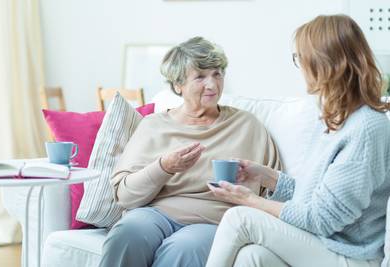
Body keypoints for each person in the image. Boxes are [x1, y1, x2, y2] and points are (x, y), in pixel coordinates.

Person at [206, 14, 390, 267]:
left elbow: (323, 218)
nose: (300, 66)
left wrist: (249, 200)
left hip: (352, 256)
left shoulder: (367, 128)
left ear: (323, 63)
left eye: (300, 58)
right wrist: (265, 177)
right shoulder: (334, 118)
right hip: (323, 243)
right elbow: (316, 198)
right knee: (252, 257)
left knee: (240, 218)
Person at [98, 36, 281, 267]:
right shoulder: (154, 126)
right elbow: (125, 196)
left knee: (184, 248)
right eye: (201, 76)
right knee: (126, 234)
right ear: (178, 85)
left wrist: (253, 180)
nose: (212, 84)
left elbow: (276, 190)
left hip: (214, 221)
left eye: (217, 74)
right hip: (155, 214)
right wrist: (163, 167)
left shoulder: (247, 125)